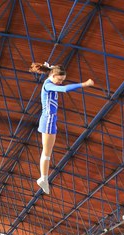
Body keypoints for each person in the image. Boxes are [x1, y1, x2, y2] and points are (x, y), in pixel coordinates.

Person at [28, 62, 94, 194]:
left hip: (51, 120)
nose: (60, 83)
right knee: (46, 152)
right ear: (52, 75)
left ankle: (44, 178)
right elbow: (64, 89)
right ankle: (43, 178)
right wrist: (84, 84)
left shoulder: (51, 82)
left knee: (49, 151)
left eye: (62, 81)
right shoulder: (48, 85)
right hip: (47, 120)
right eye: (59, 80)